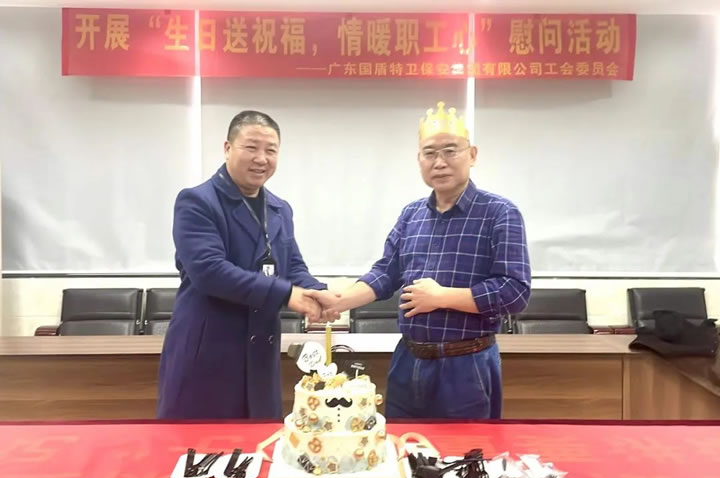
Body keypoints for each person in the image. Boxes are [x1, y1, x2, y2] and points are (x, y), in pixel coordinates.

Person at [311, 102, 531, 419]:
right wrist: (339, 300)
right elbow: (386, 273)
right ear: (419, 160)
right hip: (408, 360)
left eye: (450, 151)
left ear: (472, 155)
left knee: (464, 450)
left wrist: (442, 297)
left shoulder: (499, 213)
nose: (439, 162)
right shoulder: (412, 214)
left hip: (466, 365)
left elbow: (515, 292)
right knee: (401, 445)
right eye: (430, 153)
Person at [157, 110, 339, 420]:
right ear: (227, 148)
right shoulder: (197, 202)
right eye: (251, 147)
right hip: (207, 351)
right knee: (200, 442)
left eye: (271, 150)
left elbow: (292, 266)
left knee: (258, 441)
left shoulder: (279, 209)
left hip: (260, 353)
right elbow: (209, 271)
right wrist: (287, 294)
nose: (261, 159)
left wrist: (317, 294)